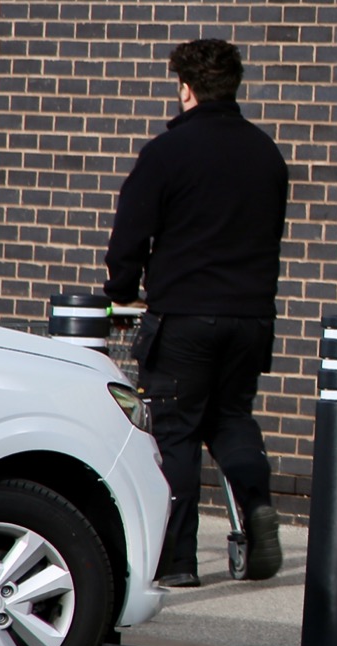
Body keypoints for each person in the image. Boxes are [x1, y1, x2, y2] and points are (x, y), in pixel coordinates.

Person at [104, 38, 289, 589]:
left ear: (184, 87)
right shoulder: (265, 152)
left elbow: (130, 232)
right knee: (231, 419)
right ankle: (255, 505)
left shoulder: (167, 153)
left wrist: (122, 288)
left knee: (176, 433)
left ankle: (178, 561)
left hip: (185, 316)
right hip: (250, 317)